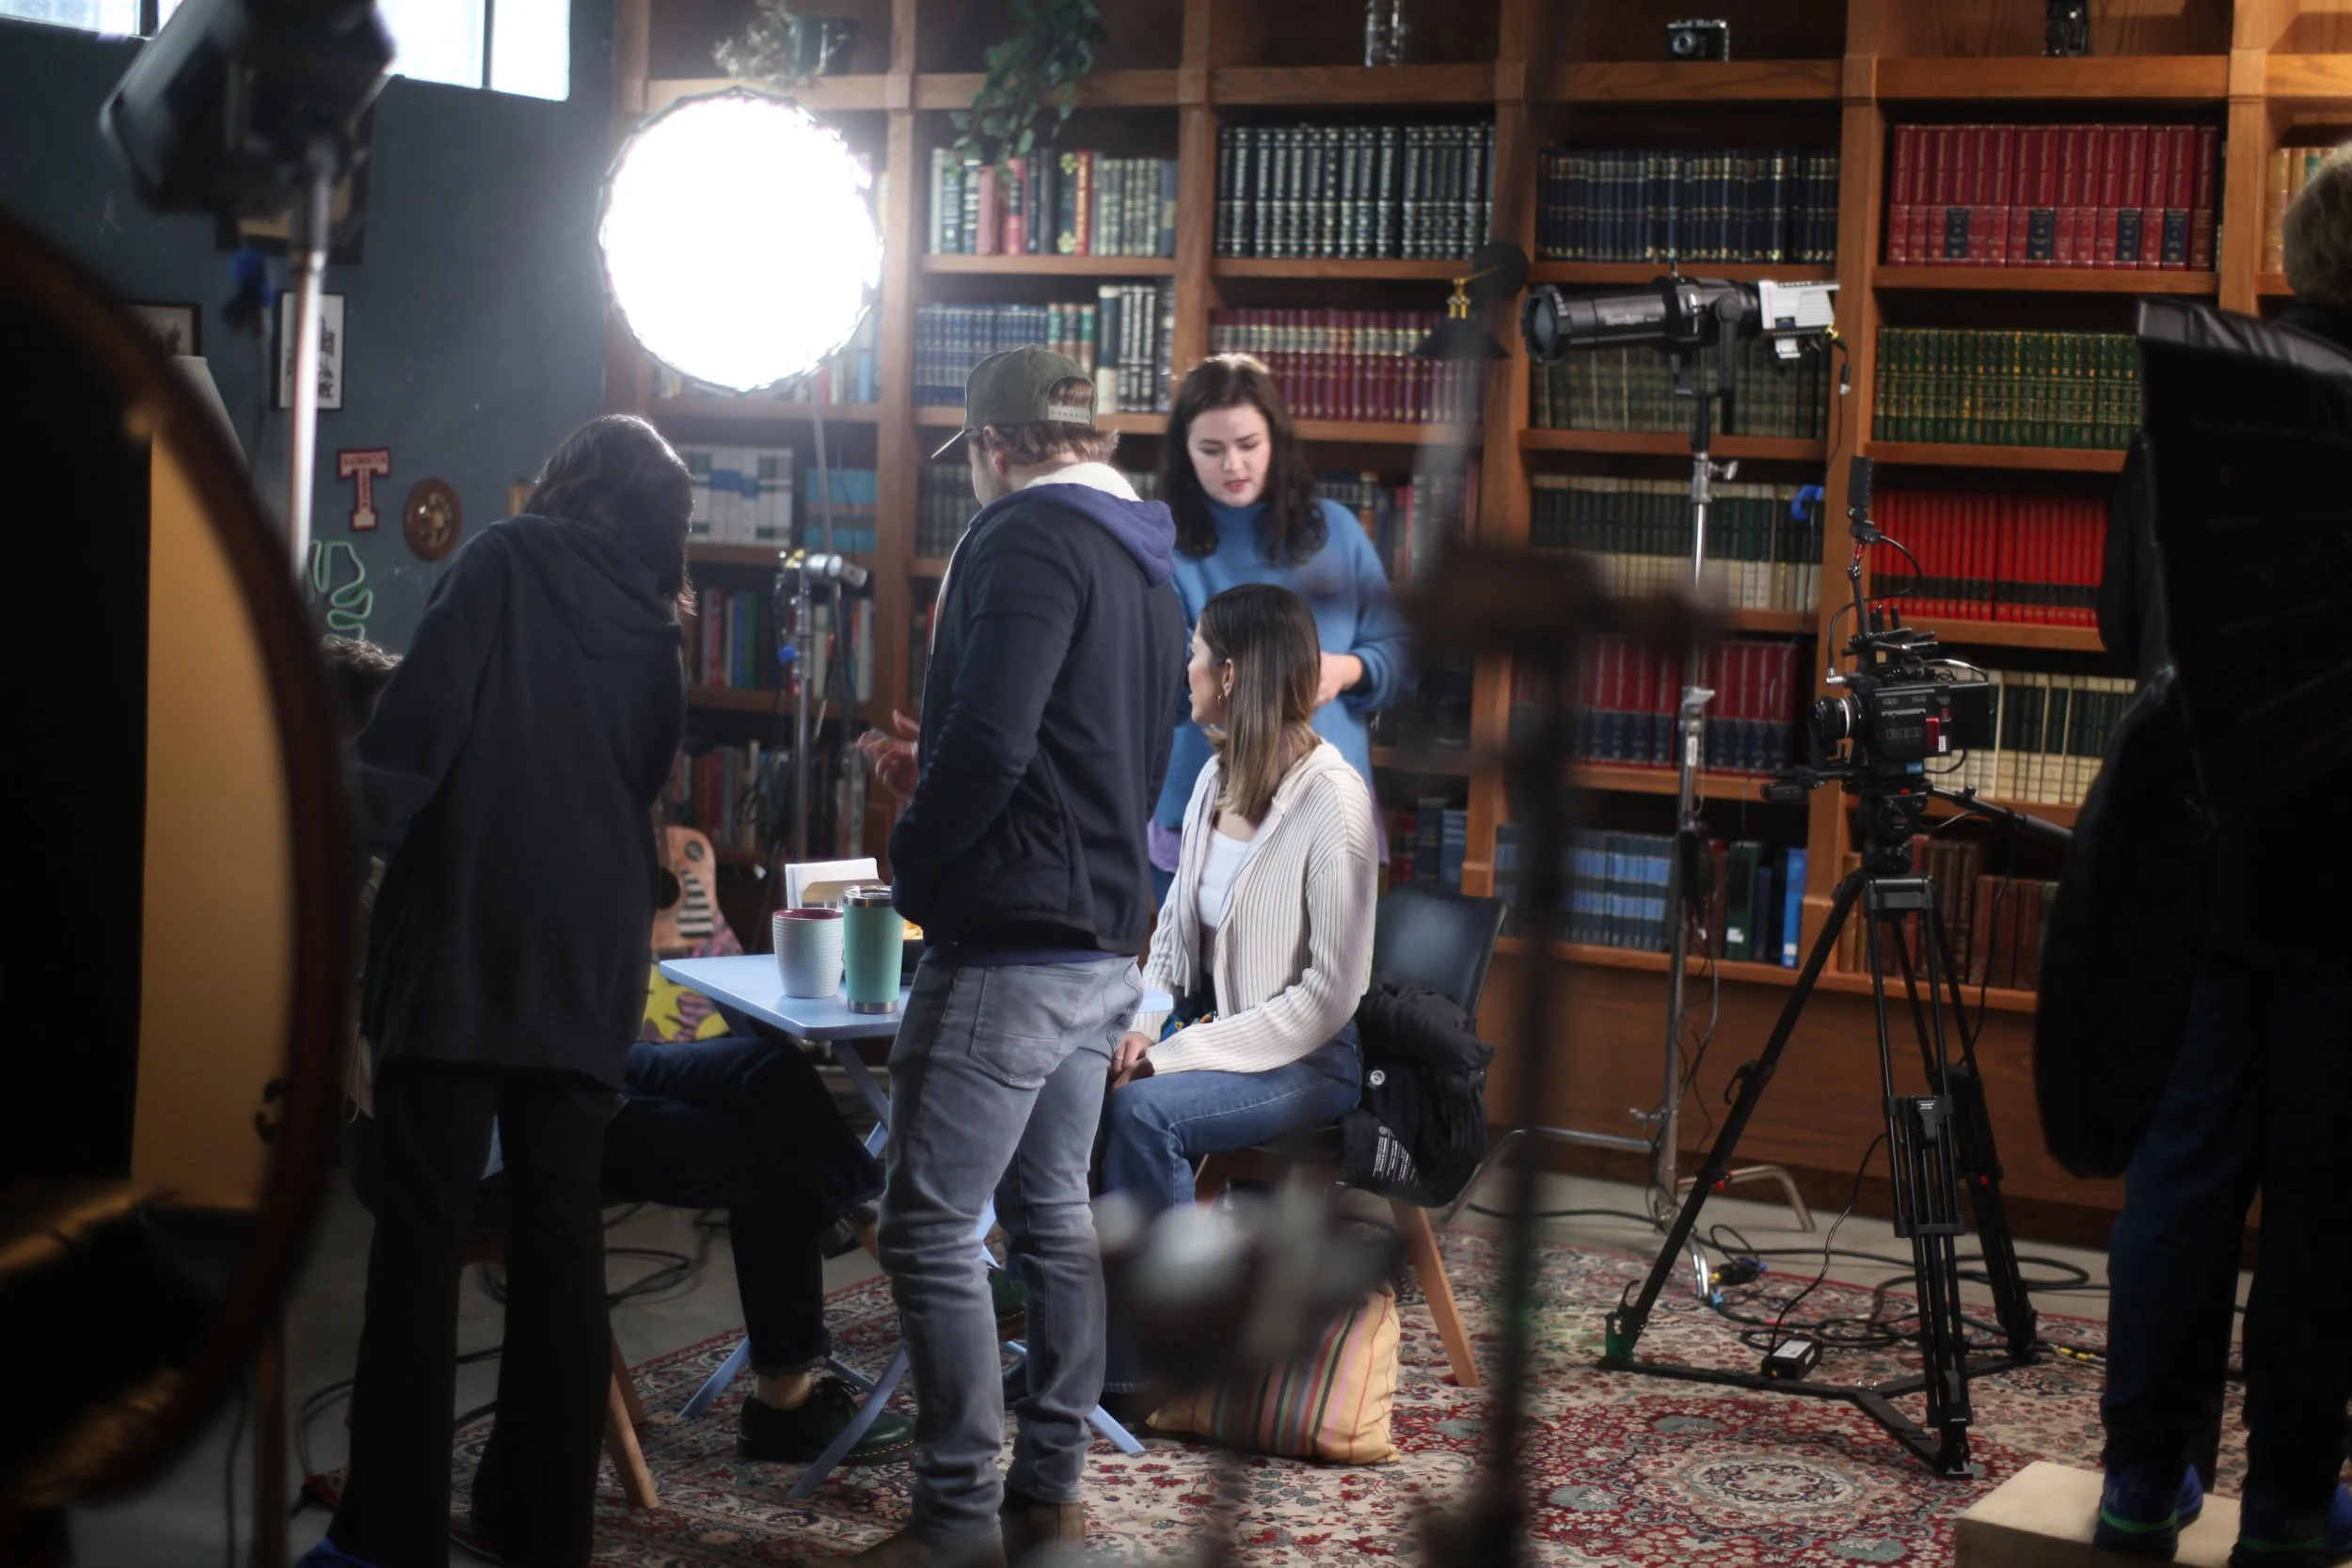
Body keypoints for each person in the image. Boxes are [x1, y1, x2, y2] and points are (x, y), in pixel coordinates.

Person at [317, 637, 914, 1497]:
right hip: (482, 1130)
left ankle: (869, 1215)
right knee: (764, 1153)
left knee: (768, 1071)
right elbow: (491, 985)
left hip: (561, 1065)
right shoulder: (358, 866)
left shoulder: (429, 830)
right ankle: (793, 1384)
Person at [310, 416, 694, 1568]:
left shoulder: (500, 562)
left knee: (421, 1248)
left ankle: (386, 1537)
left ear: (569, 485)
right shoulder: (659, 636)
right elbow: (634, 784)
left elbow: (405, 746)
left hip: (467, 948)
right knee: (562, 1249)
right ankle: (540, 1527)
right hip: (586, 968)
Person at [835, 345, 1185, 1568]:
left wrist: (921, 867)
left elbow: (992, 746)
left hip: (1013, 942)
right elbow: (1098, 747)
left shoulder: (1023, 537)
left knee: (928, 1224)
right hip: (1102, 933)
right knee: (1052, 1216)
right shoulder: (1151, 562)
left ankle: (952, 1517)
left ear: (993, 446)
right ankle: (1047, 1491)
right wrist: (960, 775)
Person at [2090, 157, 2352, 1565]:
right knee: (2326, 1187)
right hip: (2351, 866)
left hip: (2205, 840)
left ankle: (2142, 1475)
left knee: (2184, 1166)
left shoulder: (2201, 395)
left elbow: (2117, 617)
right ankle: (2294, 1504)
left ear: (2300, 256)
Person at [1096, 583, 1377, 1415]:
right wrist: (1143, 1025)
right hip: (1219, 1036)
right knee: (1082, 1079)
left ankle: (1158, 1368)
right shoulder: (1215, 777)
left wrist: (1172, 1053)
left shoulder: (1335, 801)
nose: (1184, 669)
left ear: (1232, 672)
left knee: (1145, 1114)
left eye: (1196, 652)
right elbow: (1177, 936)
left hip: (1311, 1055)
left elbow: (1332, 993)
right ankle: (1075, 1341)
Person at [1150, 353, 1412, 903]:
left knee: (1324, 982)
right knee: (1197, 982)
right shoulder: (1161, 544)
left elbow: (1400, 651)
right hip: (1206, 808)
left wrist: (1346, 669)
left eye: (1248, 445)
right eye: (1212, 450)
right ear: (1184, 452)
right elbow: (1158, 688)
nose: (1233, 465)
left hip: (1325, 810)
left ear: (1276, 441)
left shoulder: (1334, 531)